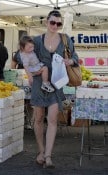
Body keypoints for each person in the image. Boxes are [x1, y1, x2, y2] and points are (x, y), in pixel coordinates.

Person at [31, 10, 79, 168]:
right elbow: (22, 57)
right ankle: (41, 151)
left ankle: (48, 155)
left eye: (58, 23)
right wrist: (33, 71)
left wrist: (69, 61)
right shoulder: (37, 40)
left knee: (52, 119)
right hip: (39, 83)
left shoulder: (65, 40)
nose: (55, 26)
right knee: (38, 119)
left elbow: (76, 58)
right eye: (52, 22)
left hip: (57, 84)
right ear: (47, 22)